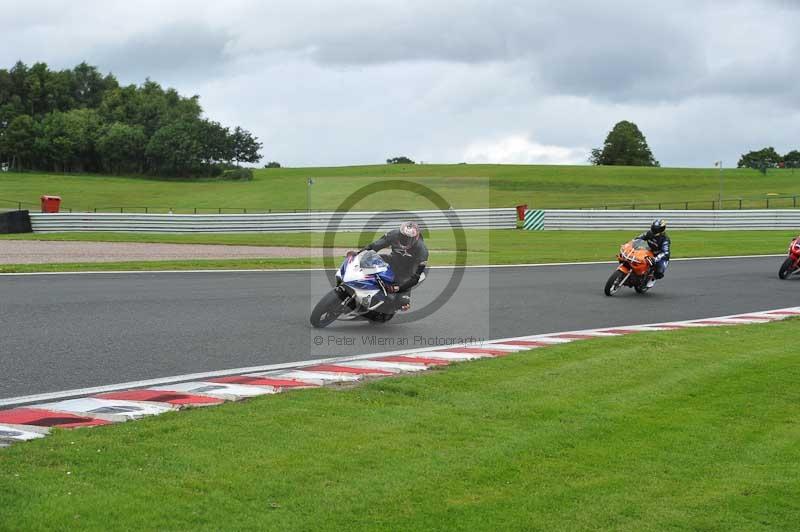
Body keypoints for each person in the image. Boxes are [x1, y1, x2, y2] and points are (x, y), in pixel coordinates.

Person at [358, 221, 428, 311]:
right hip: (393, 261)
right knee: (369, 259)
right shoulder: (393, 235)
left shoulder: (422, 250)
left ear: (415, 238)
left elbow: (416, 276)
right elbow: (375, 246)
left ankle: (386, 307)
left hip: (408, 272)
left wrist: (400, 288)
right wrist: (359, 253)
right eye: (403, 237)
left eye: (408, 239)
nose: (405, 240)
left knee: (403, 303)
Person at [637, 219, 670, 287]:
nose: (654, 230)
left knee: (659, 272)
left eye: (657, 229)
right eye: (654, 228)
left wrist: (656, 258)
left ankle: (653, 279)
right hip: (650, 251)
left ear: (661, 229)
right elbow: (639, 238)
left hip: (661, 256)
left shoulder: (665, 239)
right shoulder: (649, 233)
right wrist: (632, 243)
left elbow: (665, 252)